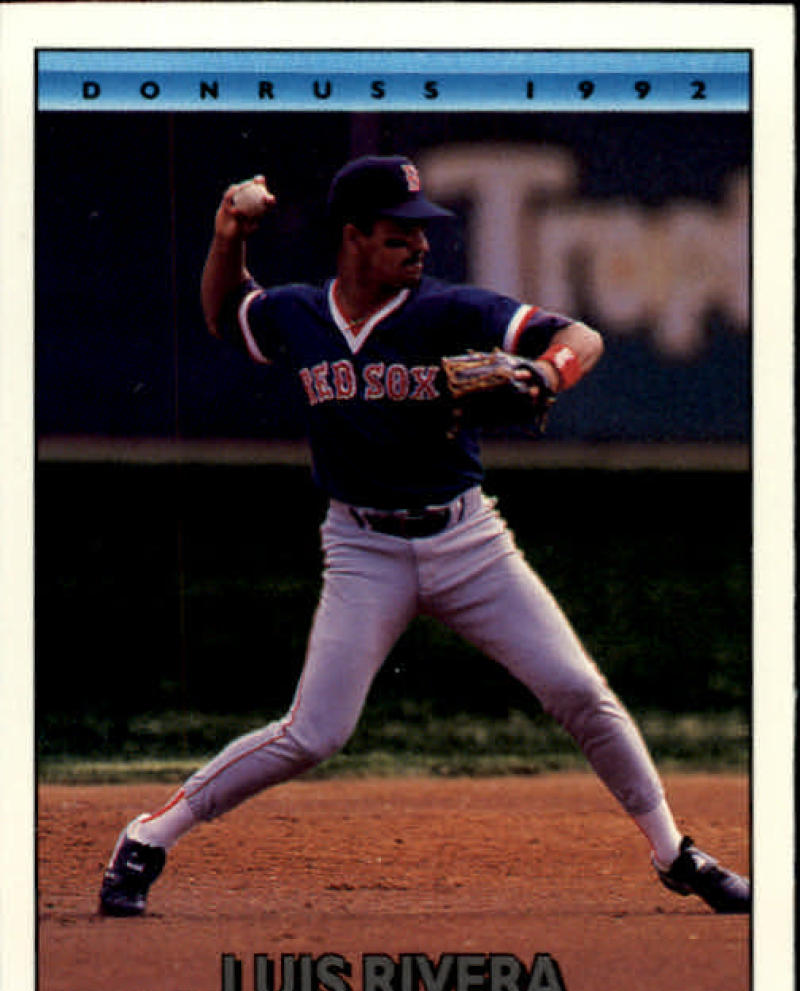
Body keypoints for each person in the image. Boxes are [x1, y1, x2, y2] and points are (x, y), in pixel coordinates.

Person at [98, 154, 750, 917]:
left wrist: (547, 375)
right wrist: (228, 235)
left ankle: (674, 851)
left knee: (579, 690)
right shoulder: (302, 315)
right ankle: (148, 835)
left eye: (423, 231)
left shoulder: (448, 309)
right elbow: (226, 311)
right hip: (362, 549)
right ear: (353, 237)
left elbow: (581, 334)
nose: (421, 244)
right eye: (400, 232)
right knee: (314, 732)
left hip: (469, 543)